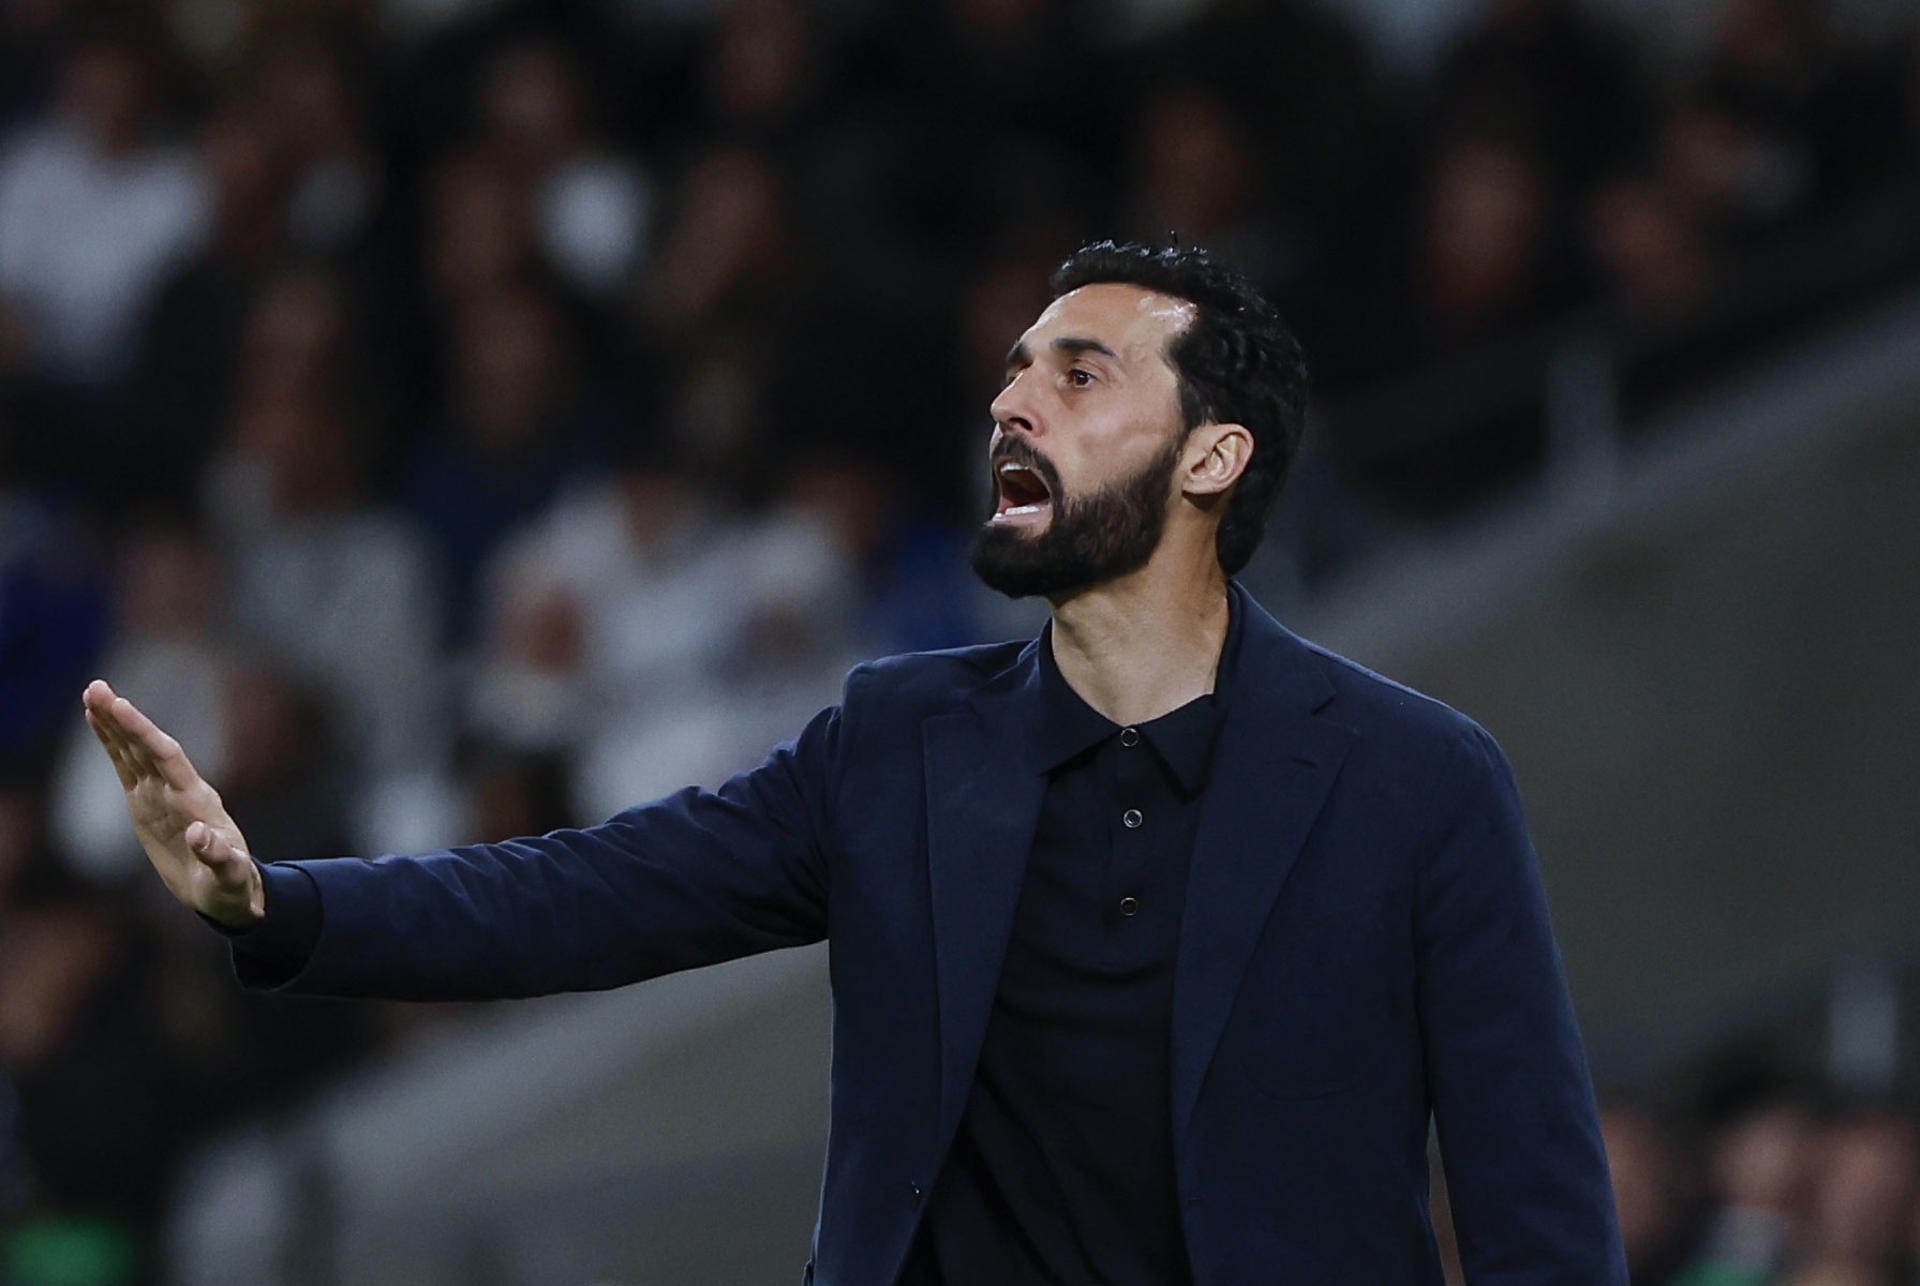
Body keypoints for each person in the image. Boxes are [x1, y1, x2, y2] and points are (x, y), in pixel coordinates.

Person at [82, 242, 1624, 1284]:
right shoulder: (900, 741)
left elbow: (1535, 1207)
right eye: (1017, 367)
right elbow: (586, 893)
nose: (1014, 398)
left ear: (1212, 458)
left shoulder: (1418, 781)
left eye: (1082, 375)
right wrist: (272, 901)